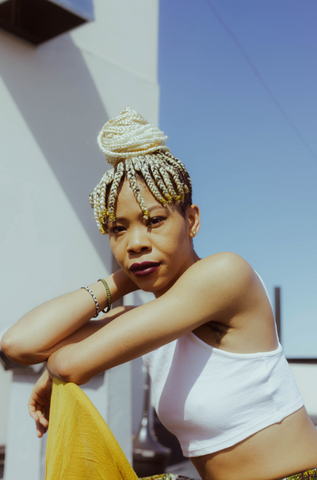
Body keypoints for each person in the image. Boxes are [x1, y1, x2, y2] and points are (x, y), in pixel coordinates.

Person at [2, 106, 317, 480]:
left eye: (154, 221)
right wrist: (122, 279)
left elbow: (68, 364)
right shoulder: (148, 317)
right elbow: (18, 345)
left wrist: (54, 371)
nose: (136, 242)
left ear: (192, 220)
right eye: (119, 230)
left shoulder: (224, 274)